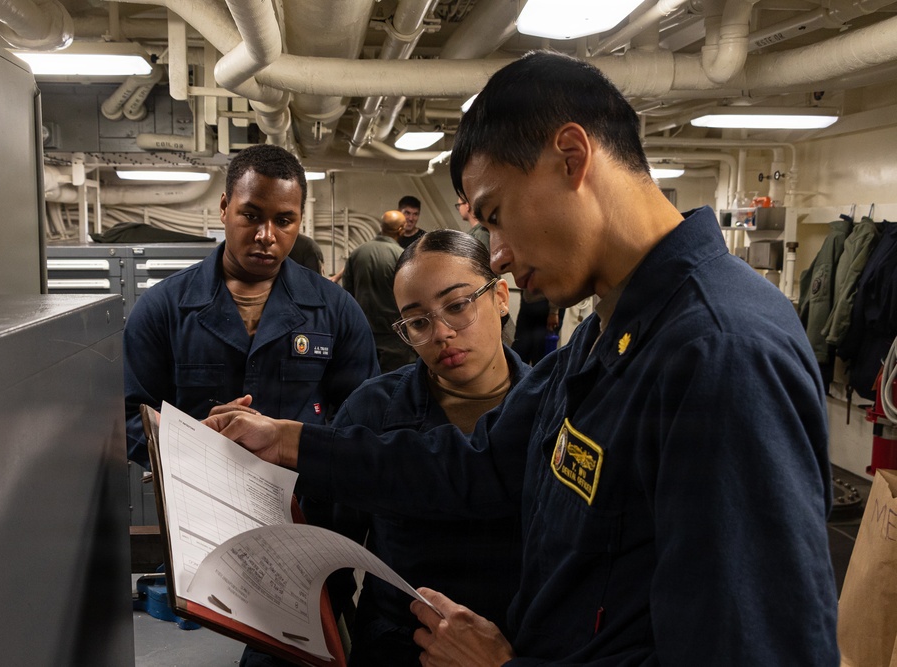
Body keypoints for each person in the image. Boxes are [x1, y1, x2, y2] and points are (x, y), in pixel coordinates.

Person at [204, 51, 839, 666]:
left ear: (572, 157)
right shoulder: (604, 338)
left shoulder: (718, 353)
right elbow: (476, 468)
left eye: (497, 214)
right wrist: (288, 441)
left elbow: (752, 650)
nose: (498, 253)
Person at [122, 144, 379, 667]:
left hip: (307, 522)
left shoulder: (334, 310)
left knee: (306, 645)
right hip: (208, 517)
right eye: (251, 216)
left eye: (284, 220)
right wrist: (190, 444)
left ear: (299, 220)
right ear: (223, 208)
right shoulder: (164, 310)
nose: (267, 236)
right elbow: (129, 416)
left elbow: (364, 422)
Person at [339, 229, 527, 666]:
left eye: (458, 306)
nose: (441, 333)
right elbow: (322, 565)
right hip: (398, 651)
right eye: (418, 322)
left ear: (501, 296)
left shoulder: (558, 408)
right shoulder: (372, 412)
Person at [342, 210, 418, 372]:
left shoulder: (357, 253)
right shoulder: (402, 257)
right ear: (400, 230)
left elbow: (347, 294)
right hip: (395, 338)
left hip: (363, 335)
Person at [510, 293, 564, 365]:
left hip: (546, 306)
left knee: (540, 355)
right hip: (529, 302)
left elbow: (558, 284)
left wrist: (553, 311)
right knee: (521, 351)